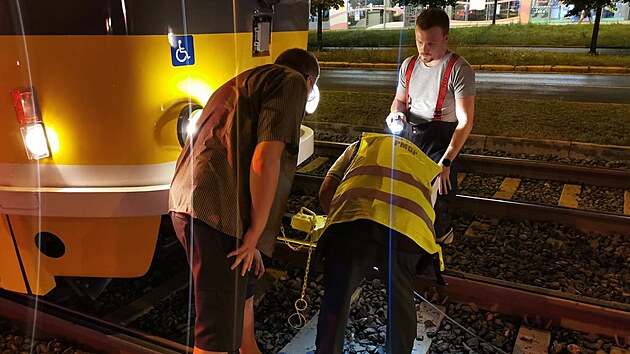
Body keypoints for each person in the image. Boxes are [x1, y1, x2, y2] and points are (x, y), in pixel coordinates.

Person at [168, 48, 319, 354]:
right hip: (216, 210)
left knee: (241, 302)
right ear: (309, 81)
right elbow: (265, 160)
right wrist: (253, 236)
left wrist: (256, 243)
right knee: (216, 337)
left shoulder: (248, 79)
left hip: (193, 201)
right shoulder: (291, 82)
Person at [315, 132, 445, 354]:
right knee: (401, 299)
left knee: (337, 293)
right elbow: (429, 209)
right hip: (407, 232)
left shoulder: (361, 144)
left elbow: (326, 190)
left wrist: (338, 222)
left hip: (356, 224)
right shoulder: (425, 162)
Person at [389, 8, 476, 244]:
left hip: (441, 139)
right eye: (419, 41)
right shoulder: (408, 65)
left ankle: (440, 240)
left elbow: (466, 121)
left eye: (431, 43)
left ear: (446, 39)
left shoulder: (459, 69)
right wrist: (396, 114)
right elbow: (398, 100)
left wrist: (446, 162)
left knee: (439, 200)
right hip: (410, 135)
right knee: (404, 193)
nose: (423, 49)